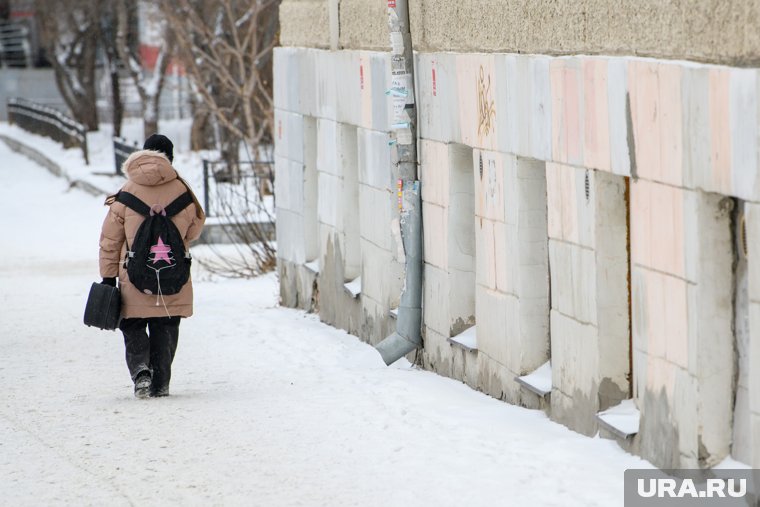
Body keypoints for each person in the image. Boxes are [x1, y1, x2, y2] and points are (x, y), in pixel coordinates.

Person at [99, 134, 205, 398]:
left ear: (143, 154)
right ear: (170, 157)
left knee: (132, 323)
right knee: (166, 325)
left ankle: (141, 370)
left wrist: (108, 276)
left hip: (132, 274)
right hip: (172, 270)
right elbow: (194, 229)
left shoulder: (127, 192)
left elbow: (110, 240)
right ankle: (161, 382)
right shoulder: (182, 190)